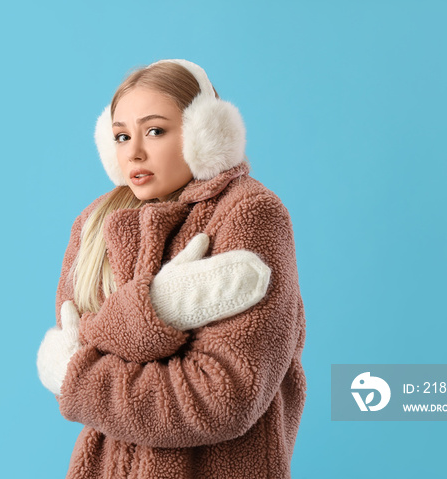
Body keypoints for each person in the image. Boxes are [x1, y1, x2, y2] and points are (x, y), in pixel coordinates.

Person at [37, 59, 307, 479]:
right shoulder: (94, 226)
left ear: (205, 134)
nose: (134, 151)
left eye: (155, 131)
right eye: (121, 136)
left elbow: (224, 397)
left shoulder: (250, 213)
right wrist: (159, 316)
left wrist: (81, 376)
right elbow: (81, 341)